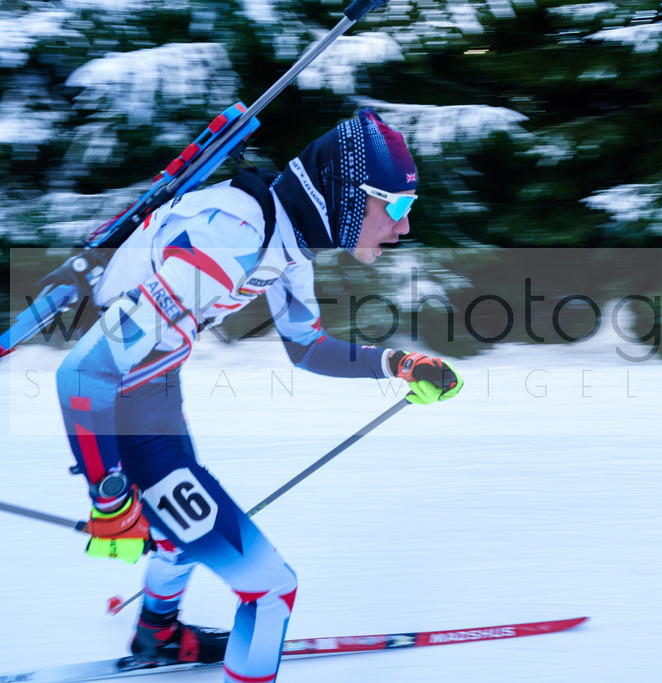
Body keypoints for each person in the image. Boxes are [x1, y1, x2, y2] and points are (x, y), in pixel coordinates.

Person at [54, 107, 462, 682]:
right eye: (395, 206)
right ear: (348, 196)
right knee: (272, 591)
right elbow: (83, 373)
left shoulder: (286, 239)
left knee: (179, 529)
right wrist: (109, 496)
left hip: (154, 391)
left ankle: (157, 633)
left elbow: (306, 346)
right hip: (127, 407)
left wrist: (395, 362)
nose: (403, 227)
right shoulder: (236, 239)